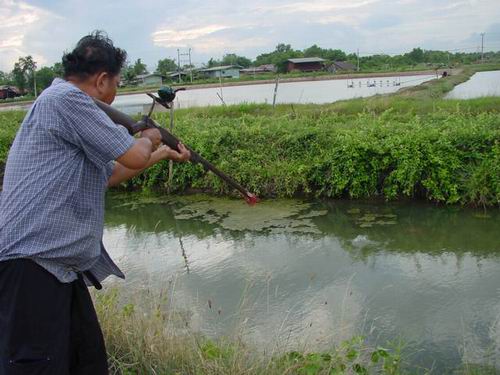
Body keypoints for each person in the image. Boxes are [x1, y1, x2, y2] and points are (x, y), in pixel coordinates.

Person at [0, 31, 190, 375]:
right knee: (36, 367)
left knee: (87, 363)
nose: (115, 94)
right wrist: (149, 137)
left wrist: (162, 152)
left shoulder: (65, 107)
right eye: (116, 84)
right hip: (31, 267)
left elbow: (110, 173)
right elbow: (133, 153)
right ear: (102, 80)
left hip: (59, 270)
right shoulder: (67, 100)